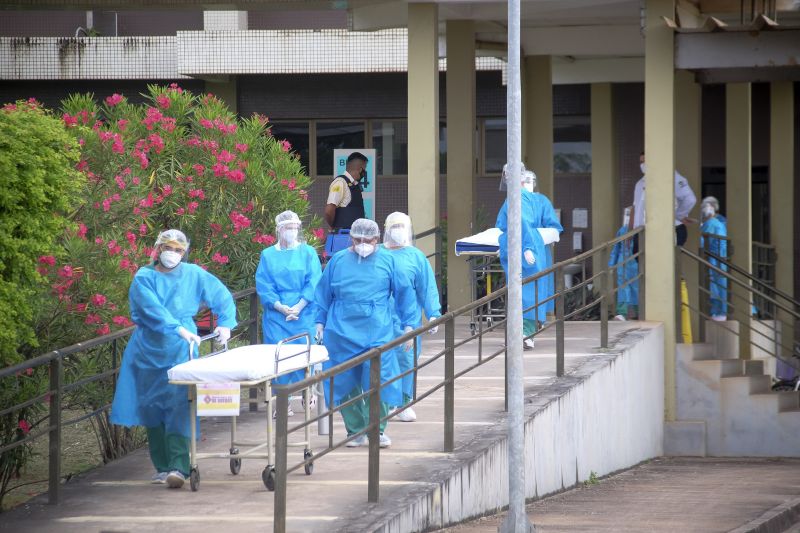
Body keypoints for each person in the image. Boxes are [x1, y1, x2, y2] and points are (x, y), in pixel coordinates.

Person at [110, 229, 236, 489]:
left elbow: (221, 295)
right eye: (169, 248)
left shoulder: (193, 274)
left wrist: (225, 324)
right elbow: (150, 309)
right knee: (152, 407)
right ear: (158, 249)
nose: (174, 254)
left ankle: (180, 466)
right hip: (148, 350)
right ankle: (162, 466)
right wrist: (176, 328)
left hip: (182, 349)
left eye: (179, 250)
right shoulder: (144, 277)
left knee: (179, 403)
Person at [314, 218, 416, 448]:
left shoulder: (388, 261)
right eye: (357, 240)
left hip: (377, 328)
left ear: (377, 239)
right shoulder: (338, 261)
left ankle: (376, 430)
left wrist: (410, 325)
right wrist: (319, 322)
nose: (362, 244)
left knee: (378, 379)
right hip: (341, 329)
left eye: (367, 240)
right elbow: (322, 294)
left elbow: (405, 293)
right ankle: (355, 430)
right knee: (344, 380)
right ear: (350, 238)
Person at [255, 210, 323, 415]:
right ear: (279, 230)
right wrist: (280, 306)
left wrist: (300, 306)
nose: (292, 231)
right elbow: (264, 284)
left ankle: (306, 392)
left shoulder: (308, 252)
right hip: (277, 316)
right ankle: (281, 401)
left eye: (295, 228)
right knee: (279, 357)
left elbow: (314, 281)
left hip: (304, 313)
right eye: (288, 228)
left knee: (304, 355)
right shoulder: (268, 255)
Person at [382, 212, 441, 422]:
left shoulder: (416, 257)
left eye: (401, 226)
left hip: (409, 321)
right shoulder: (378, 254)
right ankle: (385, 404)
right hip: (381, 321)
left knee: (407, 361)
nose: (398, 230)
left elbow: (427, 287)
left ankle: (404, 403)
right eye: (394, 226)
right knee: (384, 362)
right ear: (387, 229)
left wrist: (433, 314)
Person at [496, 168, 563, 350]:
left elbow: (522, 224)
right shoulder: (517, 199)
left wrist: (527, 248)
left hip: (528, 245)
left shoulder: (521, 199)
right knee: (528, 289)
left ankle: (526, 333)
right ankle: (524, 332)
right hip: (526, 245)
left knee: (527, 290)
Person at [632, 152, 697, 247]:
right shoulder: (640, 183)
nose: (642, 165)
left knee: (665, 260)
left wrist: (679, 215)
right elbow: (635, 208)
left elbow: (690, 199)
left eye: (646, 161)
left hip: (669, 229)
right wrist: (631, 232)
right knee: (641, 260)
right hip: (641, 232)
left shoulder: (671, 176)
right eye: (641, 162)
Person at [699, 196, 728, 321]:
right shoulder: (720, 222)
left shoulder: (710, 224)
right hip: (721, 259)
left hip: (714, 259)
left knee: (715, 286)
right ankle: (720, 312)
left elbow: (701, 242)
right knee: (721, 285)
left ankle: (717, 313)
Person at [323, 152, 368, 231]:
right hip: (343, 237)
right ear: (361, 169)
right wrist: (334, 226)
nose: (365, 173)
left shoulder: (354, 185)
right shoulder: (340, 182)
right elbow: (329, 210)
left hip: (355, 236)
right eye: (365, 169)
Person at [609, 208, 639, 320]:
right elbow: (616, 248)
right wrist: (612, 264)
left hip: (635, 263)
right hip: (624, 263)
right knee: (623, 288)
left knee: (635, 288)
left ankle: (636, 312)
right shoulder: (622, 230)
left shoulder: (639, 230)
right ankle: (623, 313)